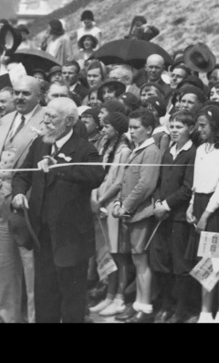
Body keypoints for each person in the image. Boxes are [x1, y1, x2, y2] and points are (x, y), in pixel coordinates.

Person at [11, 98, 105, 323]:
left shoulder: (85, 149)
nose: (45, 121)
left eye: (52, 117)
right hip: (42, 234)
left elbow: (96, 176)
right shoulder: (39, 143)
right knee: (44, 294)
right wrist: (19, 193)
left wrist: (60, 168)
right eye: (45, 115)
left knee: (72, 297)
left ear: (69, 121)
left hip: (71, 238)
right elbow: (22, 174)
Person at [0, 76, 44, 323]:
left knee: (32, 270)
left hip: (27, 207)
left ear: (39, 96)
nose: (20, 97)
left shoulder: (47, 120)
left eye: (26, 93)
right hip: (0, 204)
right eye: (17, 93)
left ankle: (34, 319)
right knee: (2, 269)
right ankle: (7, 318)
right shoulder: (5, 120)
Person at [185, 104, 219, 323]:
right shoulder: (200, 149)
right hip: (199, 205)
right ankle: (205, 312)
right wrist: (191, 206)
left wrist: (206, 215)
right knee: (205, 262)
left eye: (203, 125)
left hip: (217, 211)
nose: (199, 129)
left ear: (215, 126)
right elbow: (197, 183)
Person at [111, 109, 161, 323]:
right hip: (131, 213)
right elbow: (125, 181)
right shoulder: (137, 149)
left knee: (141, 260)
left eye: (136, 127)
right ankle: (138, 304)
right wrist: (118, 203)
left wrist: (126, 206)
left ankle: (145, 307)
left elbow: (145, 184)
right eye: (129, 128)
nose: (131, 131)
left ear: (148, 129)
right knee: (136, 259)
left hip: (140, 214)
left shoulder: (151, 151)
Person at [149, 110, 197, 323]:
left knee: (180, 265)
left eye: (180, 127)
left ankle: (181, 310)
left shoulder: (192, 153)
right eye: (172, 127)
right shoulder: (168, 152)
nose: (175, 131)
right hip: (162, 216)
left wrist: (166, 205)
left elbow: (187, 188)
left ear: (191, 129)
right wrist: (158, 203)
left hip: (178, 217)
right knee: (161, 262)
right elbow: (160, 182)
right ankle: (166, 306)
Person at [90, 111, 132, 318]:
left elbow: (118, 182)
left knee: (117, 253)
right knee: (105, 252)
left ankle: (119, 297)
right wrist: (94, 198)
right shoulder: (105, 148)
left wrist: (101, 200)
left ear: (117, 128)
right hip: (99, 204)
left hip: (111, 204)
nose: (103, 129)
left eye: (107, 126)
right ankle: (108, 294)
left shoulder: (124, 151)